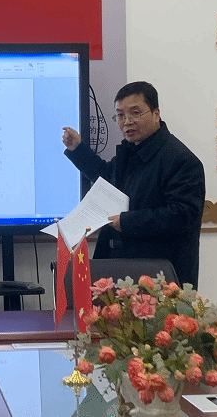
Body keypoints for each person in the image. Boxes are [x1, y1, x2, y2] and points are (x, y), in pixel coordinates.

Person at [62, 81, 205, 288]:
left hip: (160, 277)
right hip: (121, 269)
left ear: (156, 114)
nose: (127, 122)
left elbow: (182, 215)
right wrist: (77, 149)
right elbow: (107, 178)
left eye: (135, 113)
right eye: (120, 115)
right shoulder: (130, 152)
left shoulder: (181, 160)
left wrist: (127, 222)